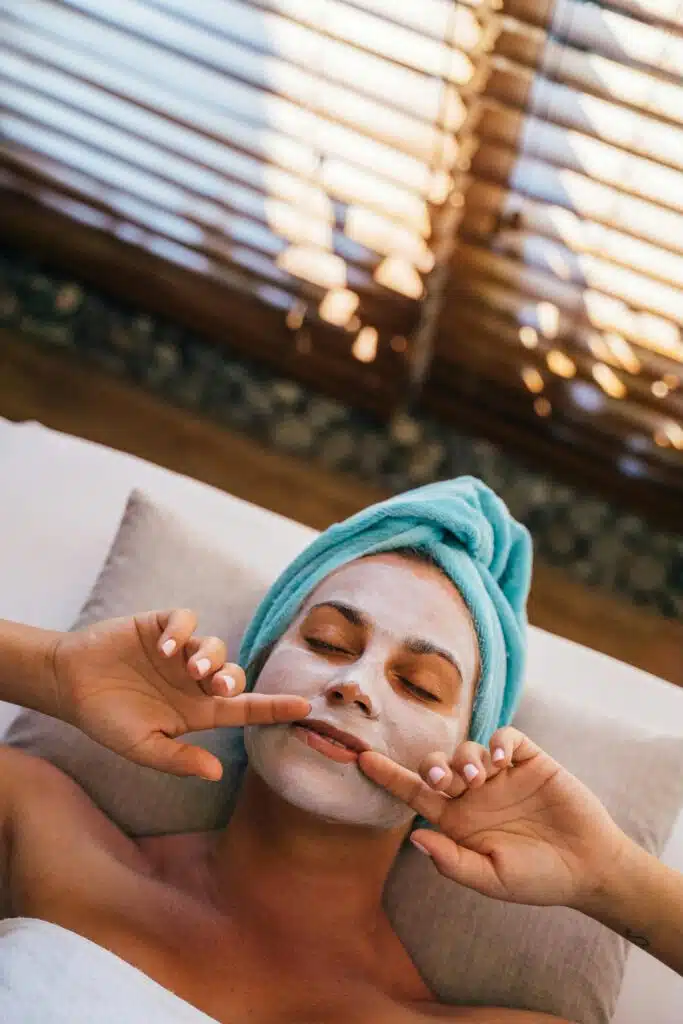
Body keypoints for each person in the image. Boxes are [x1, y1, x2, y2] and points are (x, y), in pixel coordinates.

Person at [0, 478, 681, 1024]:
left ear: (460, 760)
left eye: (419, 685)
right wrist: (52, 671)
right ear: (260, 663)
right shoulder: (41, 830)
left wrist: (612, 877)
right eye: (327, 642)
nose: (352, 686)